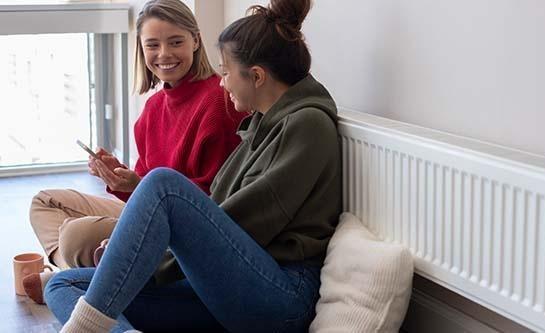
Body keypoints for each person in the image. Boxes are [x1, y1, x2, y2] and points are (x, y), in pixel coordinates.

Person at [45, 0, 341, 331]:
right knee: (63, 284)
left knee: (161, 184)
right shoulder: (262, 124)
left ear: (256, 76)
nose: (223, 82)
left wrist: (150, 260)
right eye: (152, 44)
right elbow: (218, 215)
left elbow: (245, 225)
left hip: (280, 297)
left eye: (226, 73)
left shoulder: (308, 125)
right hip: (227, 284)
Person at [24, 0, 247, 305]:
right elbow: (143, 190)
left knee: (75, 235)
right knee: (44, 203)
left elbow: (213, 204)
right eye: (152, 44)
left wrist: (137, 185)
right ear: (141, 49)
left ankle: (73, 278)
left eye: (176, 42)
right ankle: (72, 274)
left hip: (180, 232)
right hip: (148, 214)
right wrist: (119, 177)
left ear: (196, 40)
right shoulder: (153, 109)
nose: (164, 54)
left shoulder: (218, 103)